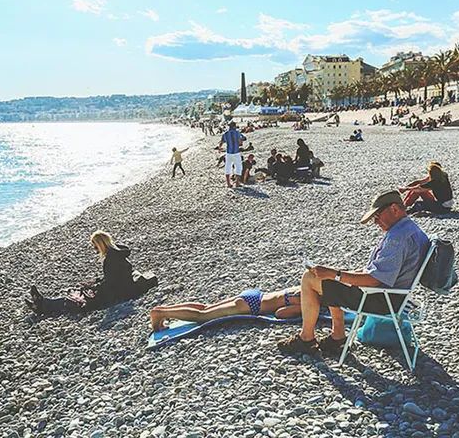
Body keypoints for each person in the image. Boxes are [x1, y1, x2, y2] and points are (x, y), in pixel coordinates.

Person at [277, 191, 429, 355]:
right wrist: (339, 274)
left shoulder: (397, 237)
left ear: (394, 209)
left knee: (310, 278)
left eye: (377, 216)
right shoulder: (412, 229)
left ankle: (307, 338)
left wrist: (336, 274)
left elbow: (374, 280)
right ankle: (337, 336)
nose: (376, 222)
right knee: (329, 278)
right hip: (395, 295)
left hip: (382, 300)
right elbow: (381, 272)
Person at [26, 231, 157, 314]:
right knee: (79, 294)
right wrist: (98, 283)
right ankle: (42, 302)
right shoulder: (118, 254)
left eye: (95, 246)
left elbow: (113, 283)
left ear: (100, 244)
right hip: (122, 289)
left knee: (76, 300)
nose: (94, 249)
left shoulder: (111, 259)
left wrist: (96, 287)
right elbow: (116, 277)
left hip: (118, 293)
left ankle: (42, 305)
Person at [150, 287, 302, 331]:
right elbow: (279, 314)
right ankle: (161, 313)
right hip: (251, 306)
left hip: (254, 294)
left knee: (206, 308)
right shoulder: (308, 300)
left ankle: (163, 309)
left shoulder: (302, 288)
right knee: (202, 316)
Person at [218, 122, 247, 188]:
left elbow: (221, 142)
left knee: (228, 167)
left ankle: (228, 184)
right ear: (234, 126)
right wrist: (240, 141)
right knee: (238, 167)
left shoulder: (226, 134)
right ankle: (237, 183)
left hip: (229, 153)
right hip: (236, 152)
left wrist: (219, 149)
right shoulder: (237, 133)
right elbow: (244, 138)